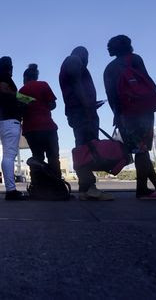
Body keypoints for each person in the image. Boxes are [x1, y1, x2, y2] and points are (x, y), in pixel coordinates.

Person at [104, 35, 156, 200]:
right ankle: (142, 189)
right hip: (142, 111)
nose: (107, 48)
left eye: (110, 46)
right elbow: (147, 81)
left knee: (141, 151)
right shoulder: (134, 59)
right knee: (142, 151)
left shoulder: (109, 68)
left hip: (125, 114)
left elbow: (111, 94)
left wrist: (117, 114)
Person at [59, 47, 114, 201]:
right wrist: (88, 107)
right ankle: (89, 188)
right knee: (87, 148)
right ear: (83, 54)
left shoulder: (71, 62)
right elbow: (77, 84)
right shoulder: (74, 60)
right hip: (83, 112)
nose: (88, 61)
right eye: (88, 57)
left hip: (81, 110)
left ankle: (86, 188)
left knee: (84, 148)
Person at [19, 63, 62, 181]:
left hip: (31, 129)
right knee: (53, 157)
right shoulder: (44, 85)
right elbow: (53, 104)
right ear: (36, 76)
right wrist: (43, 107)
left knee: (37, 157)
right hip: (48, 126)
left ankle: (38, 186)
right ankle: (57, 187)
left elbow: (21, 110)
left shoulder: (22, 90)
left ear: (25, 78)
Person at [0, 56, 27, 200]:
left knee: (9, 154)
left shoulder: (1, 76)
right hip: (8, 120)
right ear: (9, 67)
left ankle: (11, 189)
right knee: (9, 155)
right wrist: (24, 98)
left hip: (5, 120)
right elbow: (3, 89)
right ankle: (11, 190)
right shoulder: (3, 76)